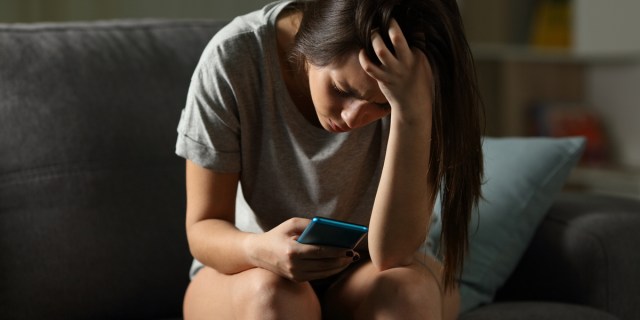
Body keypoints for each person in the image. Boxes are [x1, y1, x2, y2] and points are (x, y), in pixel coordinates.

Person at [176, 0, 483, 319]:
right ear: (309, 41)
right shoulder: (236, 58)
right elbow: (203, 228)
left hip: (370, 275)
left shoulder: (417, 76)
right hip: (250, 270)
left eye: (381, 106)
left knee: (410, 295)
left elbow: (393, 255)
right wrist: (261, 250)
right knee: (273, 298)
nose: (353, 117)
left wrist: (411, 111)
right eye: (341, 89)